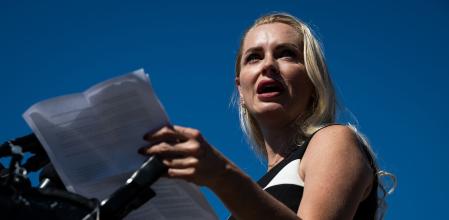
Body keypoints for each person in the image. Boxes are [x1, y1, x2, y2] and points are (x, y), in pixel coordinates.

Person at [140, 13, 394, 220]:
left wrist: (222, 175)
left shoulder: (334, 140)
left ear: (313, 80)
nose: (268, 65)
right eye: (254, 57)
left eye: (286, 54)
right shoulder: (251, 197)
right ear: (240, 89)